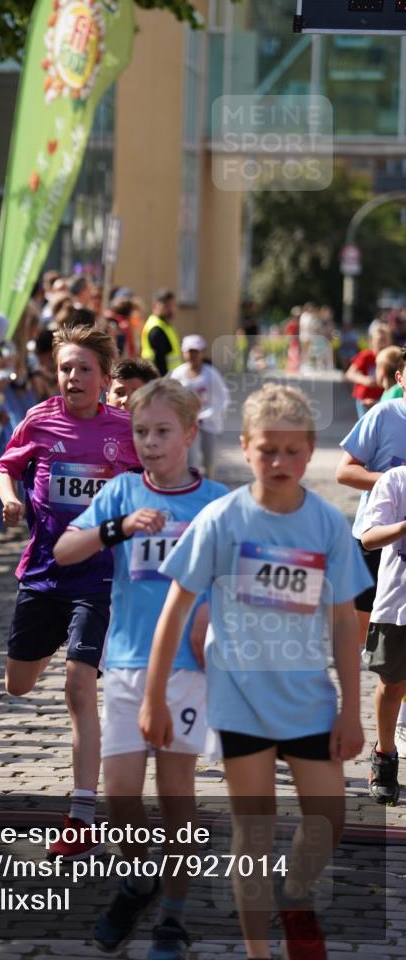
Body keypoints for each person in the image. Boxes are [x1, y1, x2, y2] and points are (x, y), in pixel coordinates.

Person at [140, 384, 372, 960]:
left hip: (308, 699)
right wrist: (154, 697)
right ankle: (258, 953)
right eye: (268, 450)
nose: (280, 462)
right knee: (253, 835)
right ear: (246, 447)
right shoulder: (222, 519)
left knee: (329, 817)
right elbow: (175, 610)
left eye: (293, 452)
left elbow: (344, 624)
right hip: (239, 698)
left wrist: (351, 709)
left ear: (310, 450)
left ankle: (295, 894)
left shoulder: (326, 525)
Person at [54, 379, 227, 959]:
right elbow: (65, 551)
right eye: (140, 432)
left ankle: (172, 917)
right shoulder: (123, 491)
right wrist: (119, 528)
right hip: (127, 662)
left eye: (161, 432)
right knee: (120, 794)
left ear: (190, 432)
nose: (149, 443)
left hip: (187, 668)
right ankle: (139, 880)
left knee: (176, 793)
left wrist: (213, 616)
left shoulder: (217, 502)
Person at [0, 325, 140, 859]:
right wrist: (10, 499)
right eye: (65, 368)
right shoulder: (39, 419)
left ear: (104, 378)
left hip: (98, 581)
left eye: (84, 369)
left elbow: (158, 482)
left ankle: (81, 816)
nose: (73, 377)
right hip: (44, 574)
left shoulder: (125, 430)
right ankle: (62, 637)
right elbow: (6, 468)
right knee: (18, 686)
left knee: (79, 686)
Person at [335, 395, 406, 645]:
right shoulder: (383, 415)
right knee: (367, 629)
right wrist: (394, 483)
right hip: (376, 534)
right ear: (400, 379)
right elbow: (344, 471)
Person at [360, 465, 406, 806]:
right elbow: (369, 537)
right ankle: (385, 756)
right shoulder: (396, 480)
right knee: (393, 684)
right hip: (399, 605)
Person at [170, 335, 229, 479]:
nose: (192, 355)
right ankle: (193, 485)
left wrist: (205, 416)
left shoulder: (211, 374)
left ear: (202, 352)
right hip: (187, 423)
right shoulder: (178, 374)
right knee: (190, 460)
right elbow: (171, 398)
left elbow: (222, 398)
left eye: (196, 351)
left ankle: (209, 483)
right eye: (189, 351)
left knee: (209, 460)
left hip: (209, 423)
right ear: (183, 353)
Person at [345, 322, 392, 418]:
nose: (382, 344)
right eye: (379, 340)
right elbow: (349, 374)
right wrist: (365, 380)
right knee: (367, 422)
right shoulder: (366, 356)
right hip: (365, 398)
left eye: (385, 340)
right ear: (372, 342)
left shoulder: (391, 357)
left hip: (383, 397)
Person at [141, 290, 181, 376]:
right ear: (156, 305)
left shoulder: (165, 326)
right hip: (162, 378)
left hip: (170, 376)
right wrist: (164, 380)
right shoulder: (156, 328)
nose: (171, 309)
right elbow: (160, 359)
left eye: (172, 305)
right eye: (167, 305)